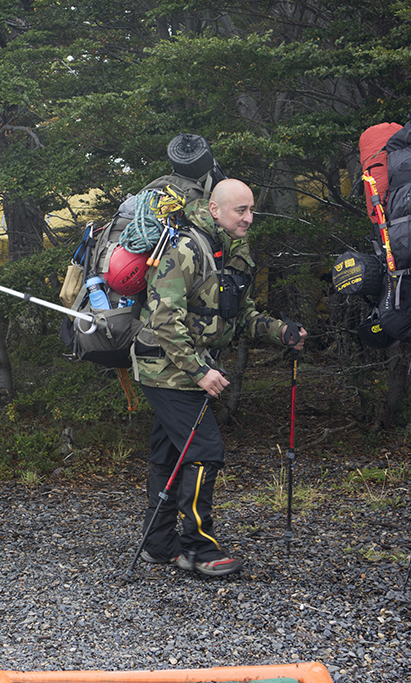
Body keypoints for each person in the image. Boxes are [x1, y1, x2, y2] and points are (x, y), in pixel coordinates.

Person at [132, 178, 307, 577]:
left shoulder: (231, 251)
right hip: (165, 368)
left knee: (169, 454)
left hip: (182, 367)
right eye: (240, 211)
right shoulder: (186, 249)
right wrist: (200, 372)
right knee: (204, 451)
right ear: (215, 210)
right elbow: (163, 318)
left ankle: (158, 544)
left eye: (251, 211)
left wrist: (280, 331)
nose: (248, 218)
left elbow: (239, 315)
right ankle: (198, 549)